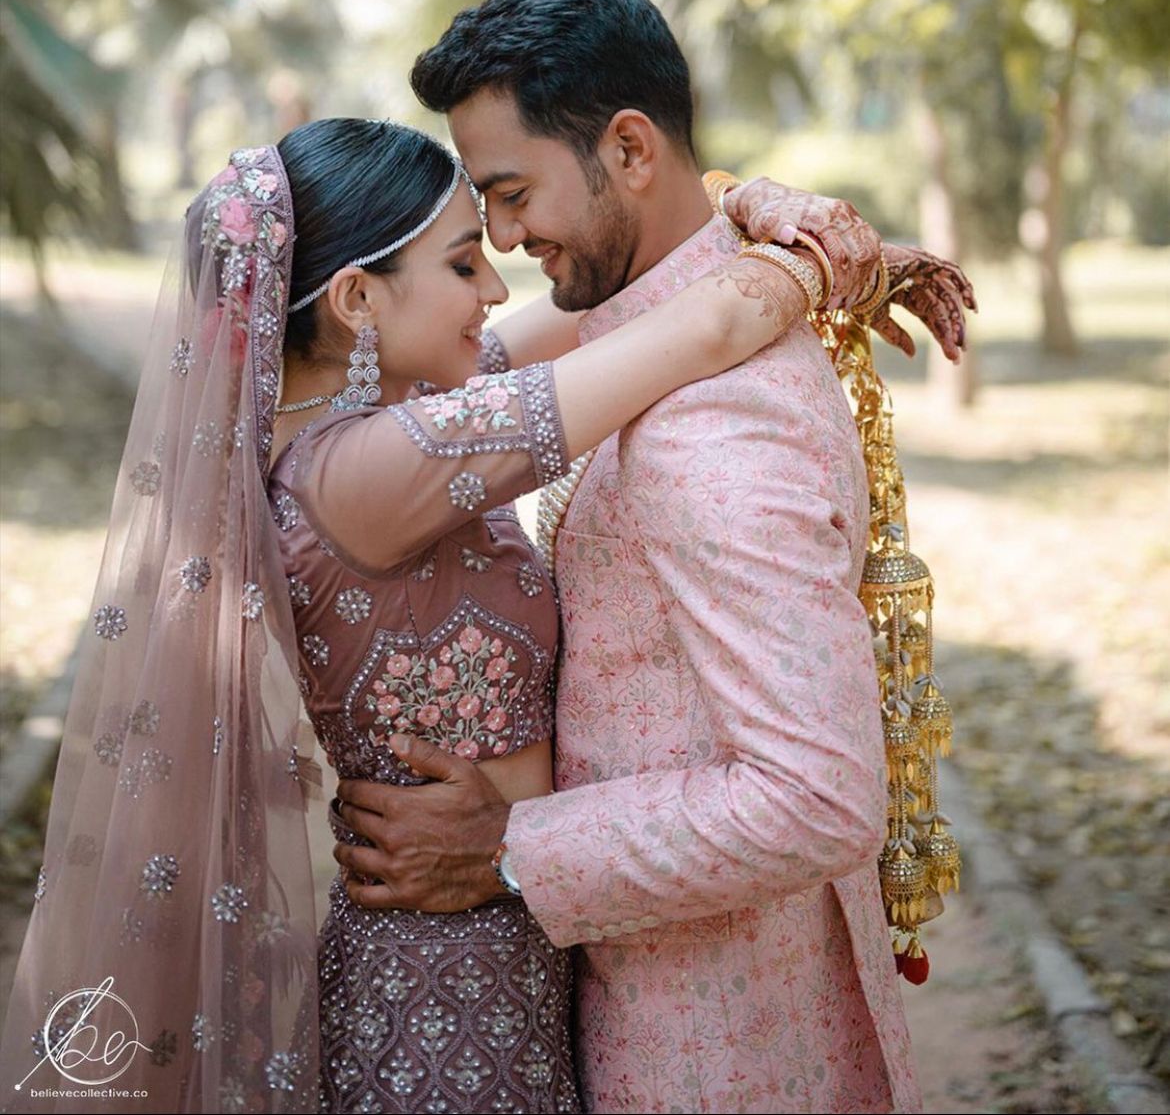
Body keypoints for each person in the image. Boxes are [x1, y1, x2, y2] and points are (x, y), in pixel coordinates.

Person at [0, 111, 953, 1115]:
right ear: (358, 299)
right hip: (438, 977)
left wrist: (757, 205)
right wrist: (829, 255)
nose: (497, 288)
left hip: (505, 940)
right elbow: (705, 325)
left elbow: (634, 293)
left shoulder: (404, 420)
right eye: (463, 264)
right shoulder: (368, 470)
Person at [330, 0, 976, 1115]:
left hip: (716, 1040)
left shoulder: (710, 423)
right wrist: (762, 207)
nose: (507, 238)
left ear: (630, 148)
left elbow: (819, 795)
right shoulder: (657, 324)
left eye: (514, 194)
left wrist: (511, 847)